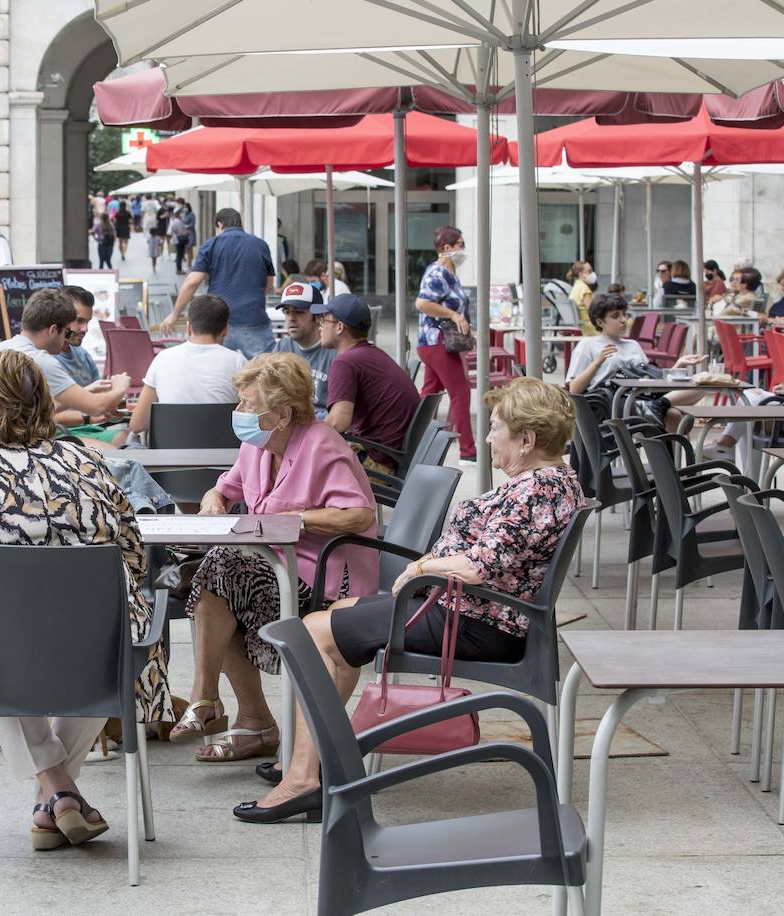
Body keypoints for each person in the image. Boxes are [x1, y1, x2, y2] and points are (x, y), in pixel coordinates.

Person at [239, 377, 583, 820]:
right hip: (470, 612)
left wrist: (420, 568)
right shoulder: (551, 482)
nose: (487, 436)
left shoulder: (538, 488)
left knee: (312, 634)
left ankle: (305, 778)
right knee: (335, 619)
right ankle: (319, 764)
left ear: (527, 439)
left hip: (476, 621)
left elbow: (479, 566)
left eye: (495, 427)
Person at [0, 348, 170, 849]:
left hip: (0, 660)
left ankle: (53, 791)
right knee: (114, 622)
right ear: (42, 403)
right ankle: (61, 794)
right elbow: (137, 559)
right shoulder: (93, 465)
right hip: (100, 656)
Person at [169, 353, 379, 761]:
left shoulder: (321, 444)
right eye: (241, 403)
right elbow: (224, 488)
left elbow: (358, 514)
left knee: (220, 576)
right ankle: (247, 720)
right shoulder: (257, 445)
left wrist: (296, 518)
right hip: (275, 569)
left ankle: (218, 705)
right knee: (213, 581)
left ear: (282, 414)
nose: (240, 413)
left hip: (324, 577)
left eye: (250, 405)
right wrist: (213, 501)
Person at [0, 288, 130, 430]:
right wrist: (120, 387)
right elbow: (96, 407)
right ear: (53, 330)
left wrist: (86, 391)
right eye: (66, 332)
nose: (66, 339)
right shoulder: (40, 360)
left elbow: (31, 412)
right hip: (25, 447)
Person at [567, 292, 706, 429]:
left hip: (644, 396)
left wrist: (679, 364)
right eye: (615, 316)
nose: (623, 320)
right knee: (672, 414)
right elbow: (574, 389)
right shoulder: (588, 345)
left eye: (624, 314)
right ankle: (657, 409)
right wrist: (597, 363)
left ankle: (658, 407)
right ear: (600, 322)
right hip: (613, 403)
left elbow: (648, 376)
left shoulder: (633, 344)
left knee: (701, 384)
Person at [320, 293, 421, 476]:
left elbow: (338, 422)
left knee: (302, 470)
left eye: (323, 320)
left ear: (339, 327)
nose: (319, 326)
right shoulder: (371, 354)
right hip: (395, 456)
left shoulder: (345, 362)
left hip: (378, 463)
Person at [124, 294, 245, 443]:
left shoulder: (162, 359)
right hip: (225, 461)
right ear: (226, 329)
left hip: (168, 461)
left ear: (189, 327)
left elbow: (137, 424)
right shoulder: (239, 363)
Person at [159, 208, 276, 359]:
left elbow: (191, 283)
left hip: (218, 323)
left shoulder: (211, 245)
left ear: (219, 225)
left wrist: (174, 314)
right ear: (240, 224)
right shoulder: (261, 245)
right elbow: (268, 286)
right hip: (253, 319)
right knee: (267, 372)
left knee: (214, 372)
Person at [415, 225, 476, 463]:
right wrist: (454, 315)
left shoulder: (448, 273)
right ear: (447, 248)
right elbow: (422, 304)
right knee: (460, 393)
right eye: (461, 244)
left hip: (436, 342)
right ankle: (468, 452)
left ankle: (414, 439)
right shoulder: (437, 272)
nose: (464, 249)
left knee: (429, 393)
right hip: (437, 341)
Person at [269, 282, 334, 418]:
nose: (291, 318)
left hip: (322, 428)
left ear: (318, 316)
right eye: (287, 312)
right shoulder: (282, 348)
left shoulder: (334, 352)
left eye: (299, 312)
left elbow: (339, 414)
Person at [54, 285, 102, 389]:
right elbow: (49, 405)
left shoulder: (84, 356)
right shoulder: (43, 359)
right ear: (59, 317)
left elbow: (100, 396)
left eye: (87, 322)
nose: (85, 329)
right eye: (79, 320)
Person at [567, 260, 597, 335]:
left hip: (583, 327)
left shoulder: (577, 286)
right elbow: (593, 311)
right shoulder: (584, 289)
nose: (593, 274)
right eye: (589, 271)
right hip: (591, 328)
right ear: (581, 274)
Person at [144, 200, 163, 272]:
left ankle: (153, 267)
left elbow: (148, 242)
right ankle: (154, 267)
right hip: (155, 250)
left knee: (153, 259)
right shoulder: (157, 237)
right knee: (154, 259)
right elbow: (160, 242)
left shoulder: (149, 238)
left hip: (151, 250)